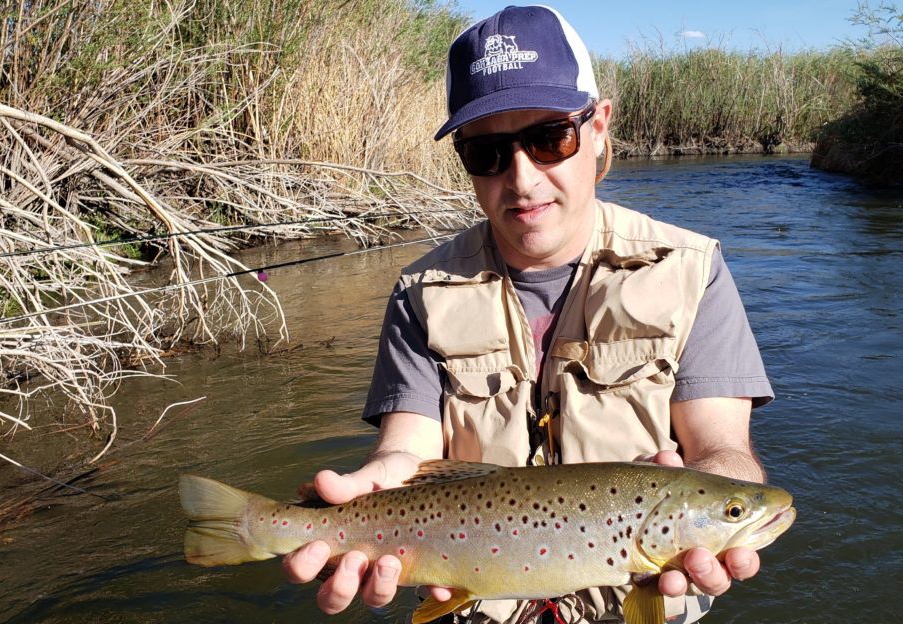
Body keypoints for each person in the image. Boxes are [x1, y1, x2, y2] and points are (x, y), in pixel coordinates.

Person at [282, 5, 774, 623]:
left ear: (598, 129)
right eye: (486, 152)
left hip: (643, 602)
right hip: (466, 600)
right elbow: (406, 449)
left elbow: (722, 449)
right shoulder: (420, 290)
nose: (521, 177)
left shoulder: (692, 270)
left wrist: (724, 492)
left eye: (549, 139)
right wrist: (374, 484)